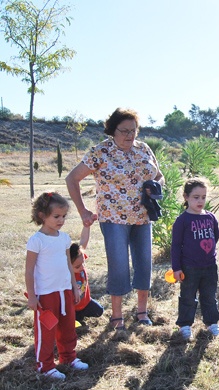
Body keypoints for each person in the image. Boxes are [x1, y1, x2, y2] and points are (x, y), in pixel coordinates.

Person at [66, 108, 164, 331]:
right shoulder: (100, 151)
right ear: (113, 130)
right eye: (124, 131)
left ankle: (142, 312)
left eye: (134, 130)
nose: (130, 135)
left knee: (144, 264)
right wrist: (82, 210)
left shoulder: (144, 148)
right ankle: (117, 316)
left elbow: (158, 175)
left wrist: (157, 187)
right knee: (119, 265)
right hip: (113, 219)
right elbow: (72, 178)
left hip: (142, 217)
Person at [25, 192, 88, 380]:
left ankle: (68, 357)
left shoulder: (64, 238)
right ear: (42, 216)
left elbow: (68, 264)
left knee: (68, 326)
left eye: (64, 216)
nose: (61, 220)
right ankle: (45, 366)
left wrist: (74, 286)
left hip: (64, 291)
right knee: (46, 330)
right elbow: (29, 271)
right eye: (56, 216)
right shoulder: (37, 240)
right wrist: (33, 295)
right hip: (45, 294)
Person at [171, 178, 219, 341]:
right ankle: (185, 326)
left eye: (203, 197)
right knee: (187, 296)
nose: (200, 201)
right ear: (186, 197)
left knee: (209, 295)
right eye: (196, 197)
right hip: (189, 267)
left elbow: (216, 236)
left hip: (209, 265)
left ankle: (212, 323)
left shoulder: (210, 218)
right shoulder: (182, 221)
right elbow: (176, 246)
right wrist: (177, 268)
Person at [70, 224, 104, 327]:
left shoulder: (79, 257)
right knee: (74, 324)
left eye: (83, 263)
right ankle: (75, 318)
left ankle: (81, 316)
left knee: (99, 311)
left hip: (86, 303)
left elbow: (84, 241)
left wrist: (87, 225)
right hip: (72, 309)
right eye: (77, 266)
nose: (82, 267)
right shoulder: (65, 275)